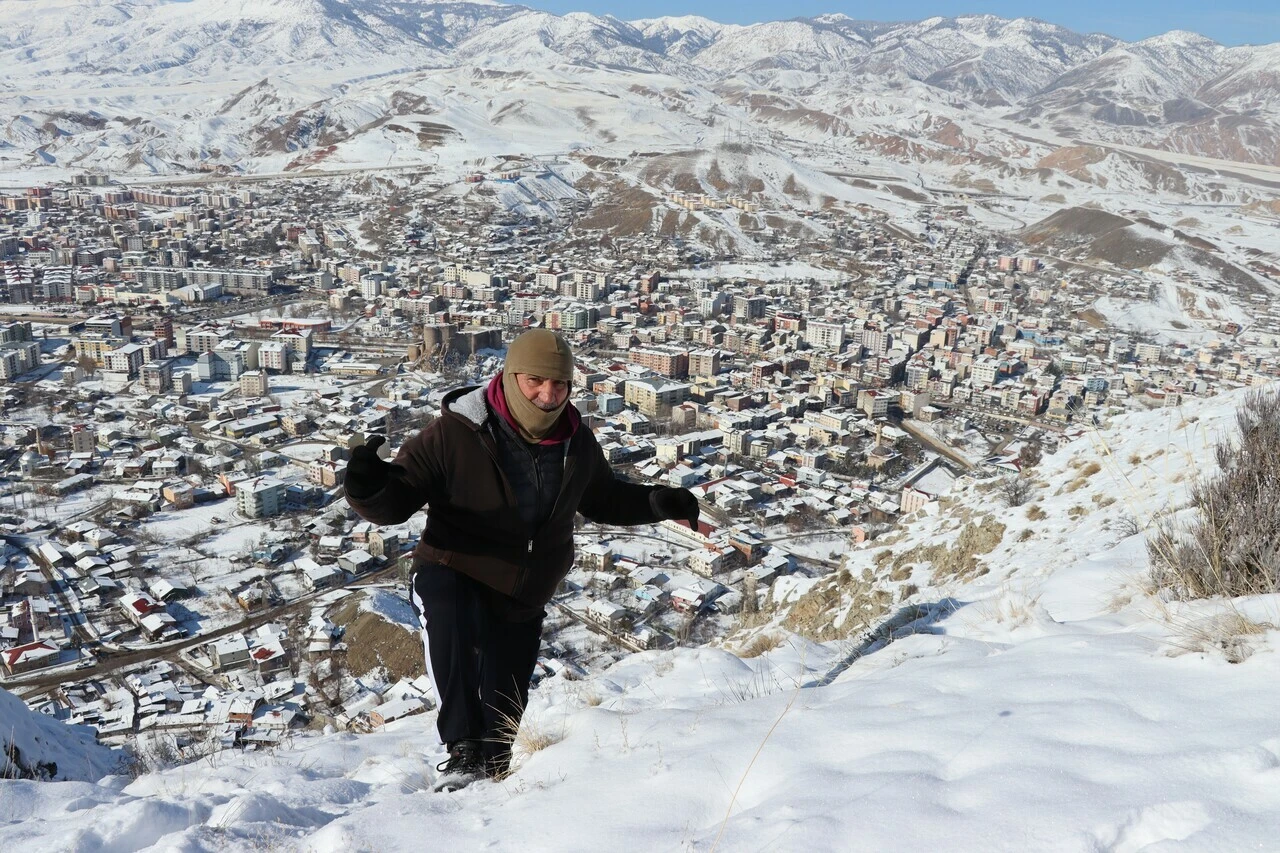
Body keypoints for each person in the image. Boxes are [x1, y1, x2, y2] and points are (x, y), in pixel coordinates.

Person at [343, 328, 699, 788]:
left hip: (524, 594)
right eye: (535, 381)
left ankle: (488, 789)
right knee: (449, 614)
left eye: (560, 385)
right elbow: (399, 497)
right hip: (456, 568)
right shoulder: (456, 432)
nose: (548, 395)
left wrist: (656, 503)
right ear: (511, 376)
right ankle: (462, 750)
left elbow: (602, 498)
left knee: (502, 720)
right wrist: (368, 488)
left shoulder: (575, 441)